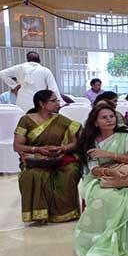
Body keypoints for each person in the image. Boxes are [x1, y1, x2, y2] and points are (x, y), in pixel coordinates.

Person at [74, 105, 128, 256]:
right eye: (104, 117)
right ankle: (103, 240)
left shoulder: (127, 137)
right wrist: (110, 173)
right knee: (105, 197)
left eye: (111, 116)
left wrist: (108, 155)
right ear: (95, 122)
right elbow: (94, 169)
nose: (109, 120)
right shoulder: (90, 141)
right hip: (103, 177)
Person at [12, 90, 82, 224]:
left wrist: (63, 148)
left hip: (59, 158)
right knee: (33, 175)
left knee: (71, 171)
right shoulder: (26, 120)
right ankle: (40, 215)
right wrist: (39, 149)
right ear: (42, 104)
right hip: (36, 160)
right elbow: (17, 146)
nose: (58, 103)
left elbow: (76, 140)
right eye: (54, 100)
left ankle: (65, 213)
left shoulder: (60, 119)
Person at [0, 51, 65, 112]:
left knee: (23, 120)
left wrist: (15, 86)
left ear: (27, 59)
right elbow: (53, 88)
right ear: (39, 60)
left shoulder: (18, 68)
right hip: (39, 101)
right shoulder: (45, 70)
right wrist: (60, 102)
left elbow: (2, 73)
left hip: (22, 101)